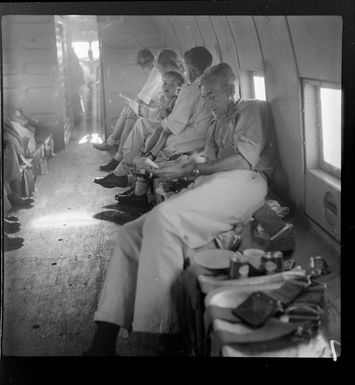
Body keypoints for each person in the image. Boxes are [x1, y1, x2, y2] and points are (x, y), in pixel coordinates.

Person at [84, 62, 278, 356]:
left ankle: (168, 336)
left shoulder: (254, 109)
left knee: (162, 220)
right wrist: (170, 170)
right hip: (215, 183)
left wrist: (195, 173)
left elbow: (244, 160)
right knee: (129, 234)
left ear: (231, 88)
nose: (207, 102)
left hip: (246, 182)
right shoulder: (215, 121)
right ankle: (103, 340)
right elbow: (205, 162)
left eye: (211, 96)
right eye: (204, 96)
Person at [93, 46, 213, 197]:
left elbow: (172, 124)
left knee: (144, 132)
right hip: (193, 129)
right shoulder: (209, 83)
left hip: (190, 136)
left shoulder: (191, 89)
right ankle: (123, 174)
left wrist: (159, 120)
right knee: (141, 123)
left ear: (191, 70)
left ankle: (126, 177)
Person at [93, 48, 164, 171]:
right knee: (129, 120)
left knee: (129, 112)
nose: (143, 70)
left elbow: (142, 98)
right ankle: (116, 156)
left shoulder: (156, 74)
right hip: (155, 109)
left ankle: (112, 145)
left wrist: (131, 103)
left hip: (158, 113)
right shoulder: (158, 73)